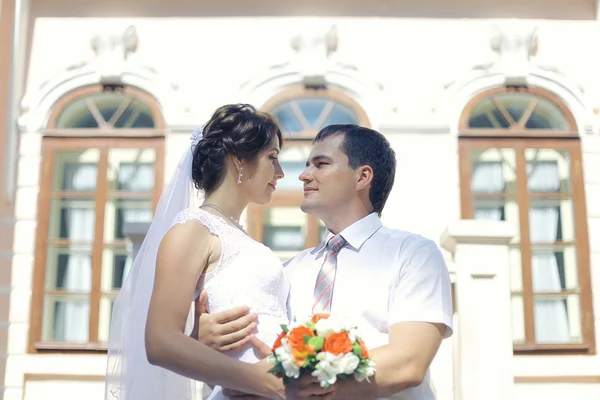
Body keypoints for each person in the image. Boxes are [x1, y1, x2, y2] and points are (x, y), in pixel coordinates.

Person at [194, 124, 454, 400]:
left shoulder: (413, 254)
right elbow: (255, 358)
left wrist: (299, 388)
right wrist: (207, 344)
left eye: (321, 164)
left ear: (362, 176)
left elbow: (408, 364)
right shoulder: (288, 270)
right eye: (306, 166)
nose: (304, 176)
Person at [105, 104, 305, 400]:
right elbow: (159, 342)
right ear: (239, 161)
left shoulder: (243, 238)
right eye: (272, 158)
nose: (280, 172)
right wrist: (261, 381)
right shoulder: (192, 229)